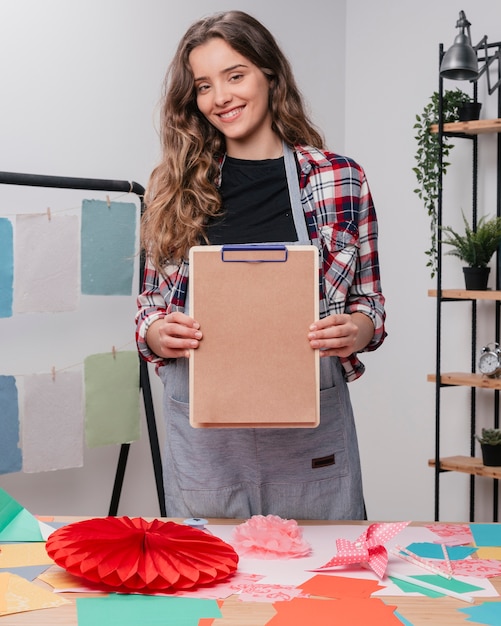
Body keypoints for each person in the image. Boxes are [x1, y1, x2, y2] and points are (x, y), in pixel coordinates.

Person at [135, 10, 386, 520]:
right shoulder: (171, 187)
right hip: (204, 420)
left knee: (324, 579)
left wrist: (354, 330)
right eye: (203, 86)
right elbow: (148, 308)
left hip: (309, 409)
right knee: (212, 578)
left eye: (235, 75)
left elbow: (370, 305)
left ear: (269, 75)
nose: (220, 97)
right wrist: (160, 333)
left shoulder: (340, 179)